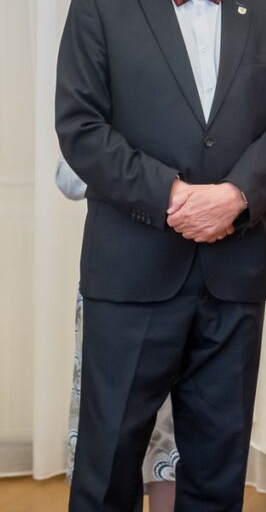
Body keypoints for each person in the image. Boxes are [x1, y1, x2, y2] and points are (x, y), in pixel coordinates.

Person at [54, 0, 266, 511]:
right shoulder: (99, 2)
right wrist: (170, 196)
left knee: (218, 460)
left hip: (235, 270)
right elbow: (81, 128)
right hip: (132, 268)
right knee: (108, 457)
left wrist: (235, 197)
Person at [58, 157, 178, 512]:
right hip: (120, 282)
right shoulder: (105, 109)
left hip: (202, 272)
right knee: (110, 434)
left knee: (181, 443)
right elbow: (68, 179)